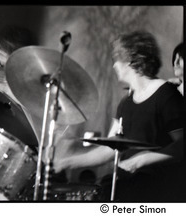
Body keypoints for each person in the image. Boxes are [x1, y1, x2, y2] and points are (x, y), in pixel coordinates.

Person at [54, 30, 184, 202]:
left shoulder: (166, 95)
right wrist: (67, 162)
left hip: (157, 191)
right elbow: (109, 149)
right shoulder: (125, 104)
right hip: (129, 185)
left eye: (117, 60)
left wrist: (143, 159)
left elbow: (182, 145)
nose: (114, 66)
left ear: (131, 61)